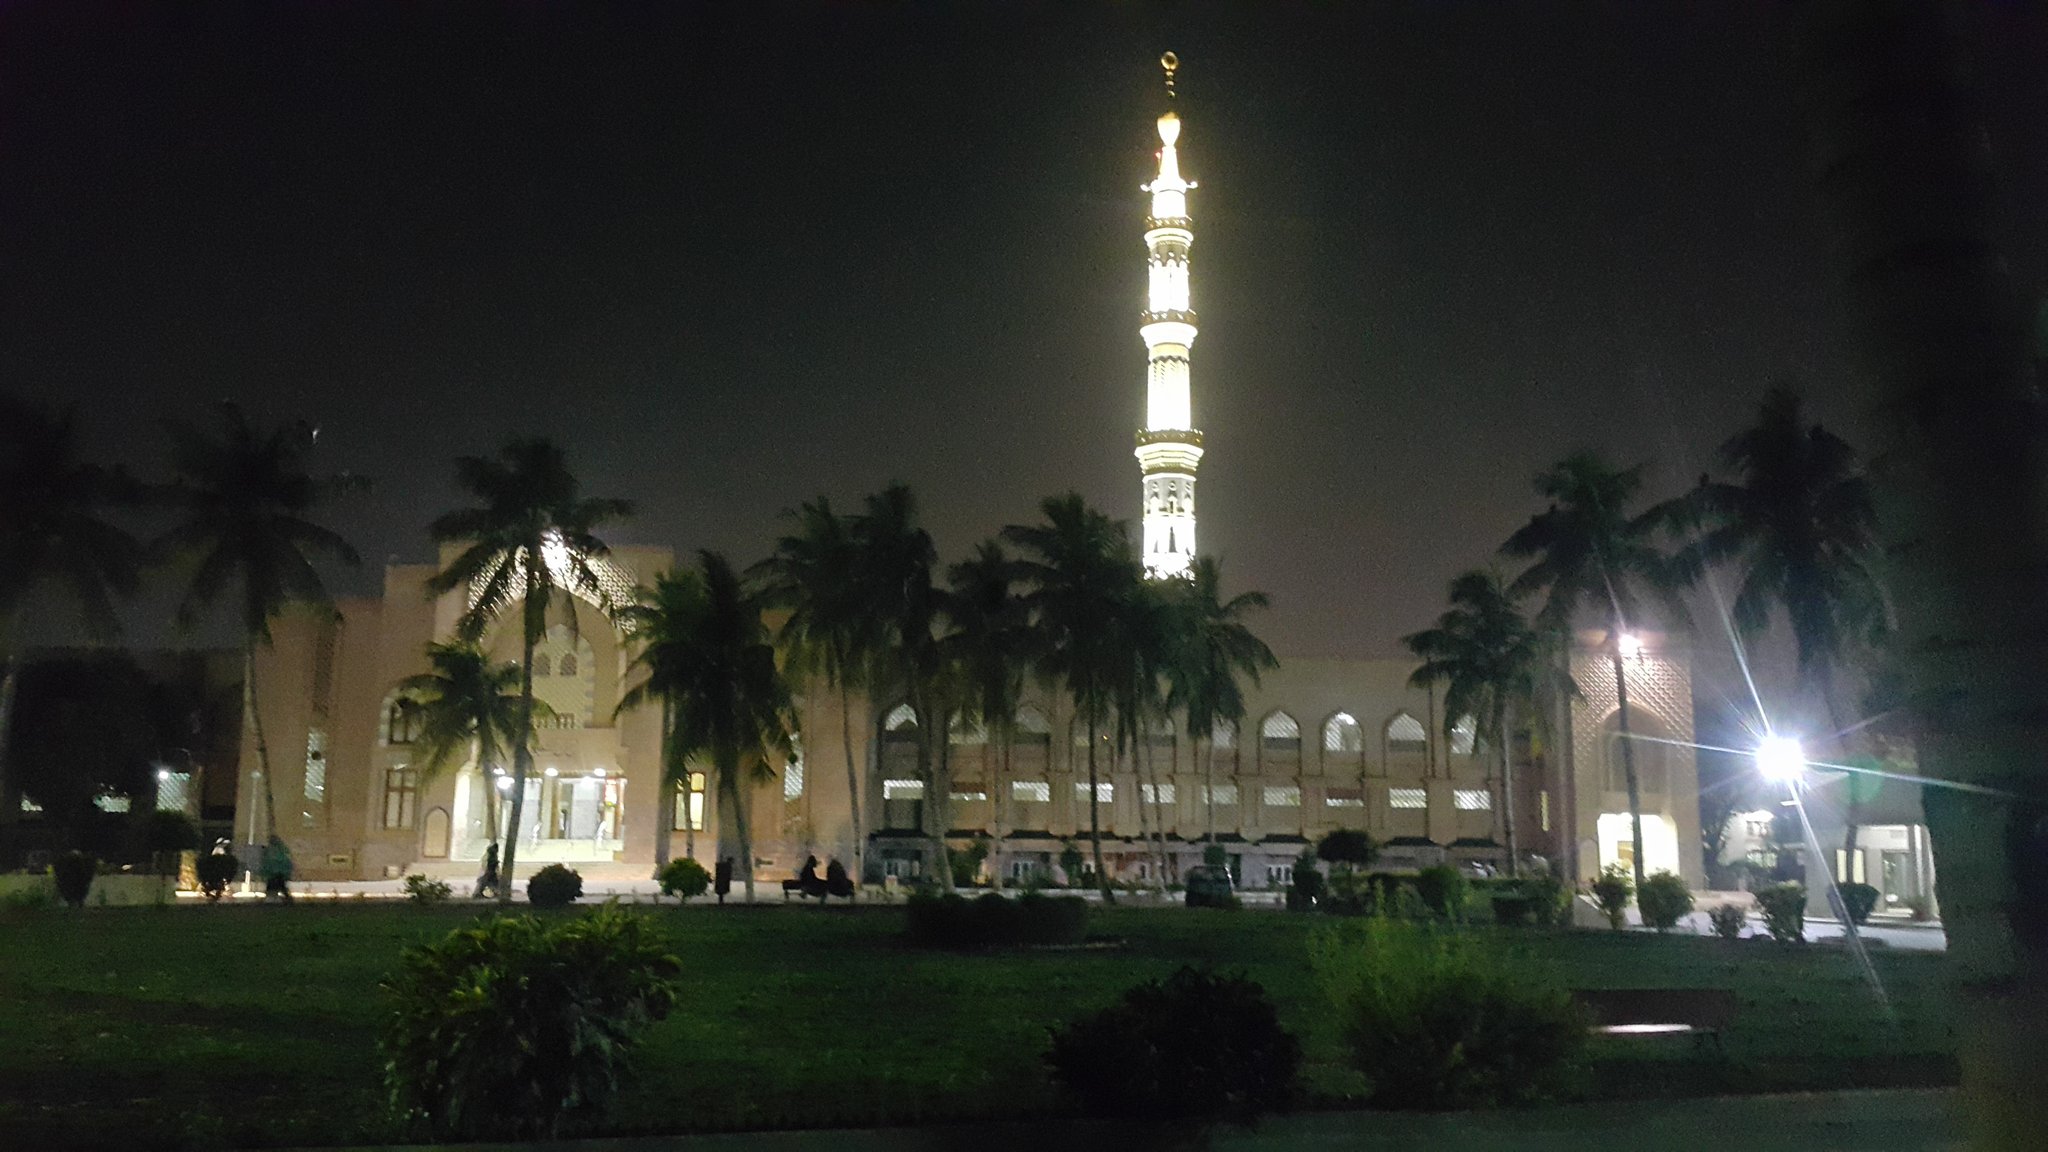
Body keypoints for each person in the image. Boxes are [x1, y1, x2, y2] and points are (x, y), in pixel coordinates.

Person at [259, 835, 294, 903]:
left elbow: (267, 862)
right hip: (279, 873)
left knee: (274, 887)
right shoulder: (282, 849)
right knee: (281, 887)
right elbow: (286, 861)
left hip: (274, 873)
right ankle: (285, 899)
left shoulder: (270, 850)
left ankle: (273, 899)